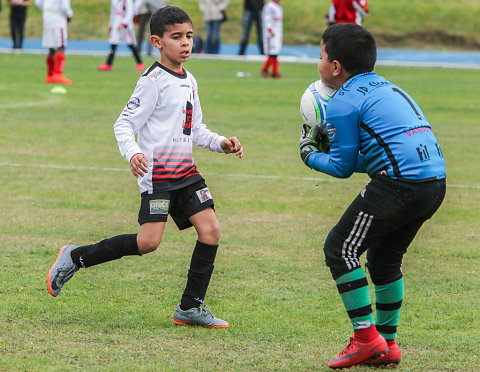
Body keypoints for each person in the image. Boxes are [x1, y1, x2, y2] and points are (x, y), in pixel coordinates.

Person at [47, 5, 244, 328]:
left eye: (189, 36)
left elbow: (194, 129)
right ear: (157, 42)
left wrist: (221, 142)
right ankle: (75, 256)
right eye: (176, 37)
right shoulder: (152, 81)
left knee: (211, 230)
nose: (185, 43)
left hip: (186, 172)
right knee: (148, 242)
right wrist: (133, 153)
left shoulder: (189, 79)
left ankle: (190, 307)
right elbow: (123, 124)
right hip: (158, 175)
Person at [299, 23, 446, 369]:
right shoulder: (390, 88)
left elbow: (341, 167)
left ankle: (365, 340)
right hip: (434, 183)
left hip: (400, 184)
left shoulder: (343, 102)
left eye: (320, 57)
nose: (318, 64)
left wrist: (308, 151)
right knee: (382, 260)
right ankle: (388, 344)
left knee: (340, 248)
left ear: (335, 67)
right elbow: (380, 152)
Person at [98, 0, 144, 71]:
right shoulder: (114, 1)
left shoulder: (127, 1)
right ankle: (108, 64)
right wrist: (111, 25)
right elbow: (112, 13)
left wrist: (124, 23)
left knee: (130, 44)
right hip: (116, 24)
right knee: (113, 43)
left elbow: (130, 12)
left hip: (126, 25)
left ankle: (140, 63)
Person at [35, 0, 73, 85]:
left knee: (51, 46)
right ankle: (58, 74)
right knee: (61, 46)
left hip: (47, 17)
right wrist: (69, 14)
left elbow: (38, 2)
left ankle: (50, 75)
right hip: (58, 18)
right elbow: (65, 5)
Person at [260, 0, 282, 78]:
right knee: (272, 53)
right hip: (271, 33)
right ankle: (273, 72)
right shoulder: (269, 6)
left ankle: (267, 70)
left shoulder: (278, 6)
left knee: (274, 52)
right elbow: (267, 19)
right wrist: (270, 30)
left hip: (277, 33)